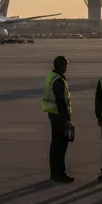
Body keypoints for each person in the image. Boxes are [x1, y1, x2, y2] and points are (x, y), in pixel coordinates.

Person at [42, 55, 75, 183]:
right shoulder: (58, 80)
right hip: (59, 116)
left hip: (53, 114)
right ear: (61, 66)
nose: (67, 67)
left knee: (56, 144)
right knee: (60, 145)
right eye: (66, 64)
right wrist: (66, 119)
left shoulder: (52, 77)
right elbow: (61, 100)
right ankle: (59, 173)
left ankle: (55, 172)